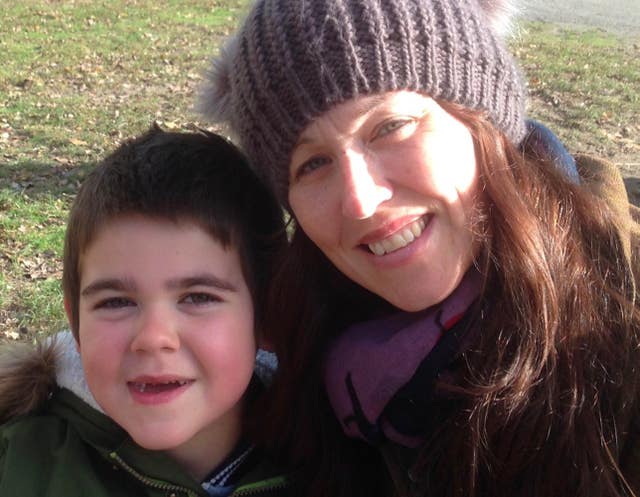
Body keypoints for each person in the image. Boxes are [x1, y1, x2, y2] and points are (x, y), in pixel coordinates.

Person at [199, 0, 640, 496]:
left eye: (390, 127)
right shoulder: (299, 359)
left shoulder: (619, 326)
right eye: (313, 164)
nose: (361, 202)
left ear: (482, 123)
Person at [0, 126, 289, 497]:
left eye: (198, 297)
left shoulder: (339, 462)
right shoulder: (18, 463)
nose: (153, 338)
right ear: (76, 324)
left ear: (267, 314)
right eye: (115, 302)